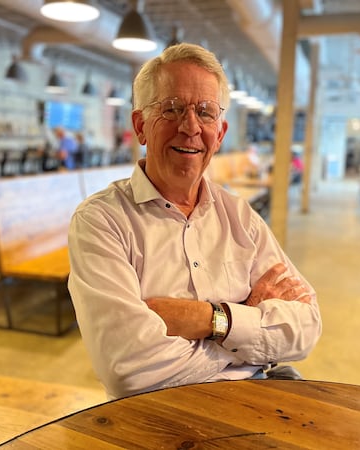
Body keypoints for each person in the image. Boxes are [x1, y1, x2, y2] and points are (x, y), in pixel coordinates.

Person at [68, 43, 322, 400]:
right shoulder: (102, 221)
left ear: (220, 133)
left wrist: (207, 319)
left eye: (205, 112)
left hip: (254, 402)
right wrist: (246, 329)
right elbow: (129, 369)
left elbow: (307, 327)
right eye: (171, 109)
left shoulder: (241, 217)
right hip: (157, 415)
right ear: (140, 126)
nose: (190, 127)